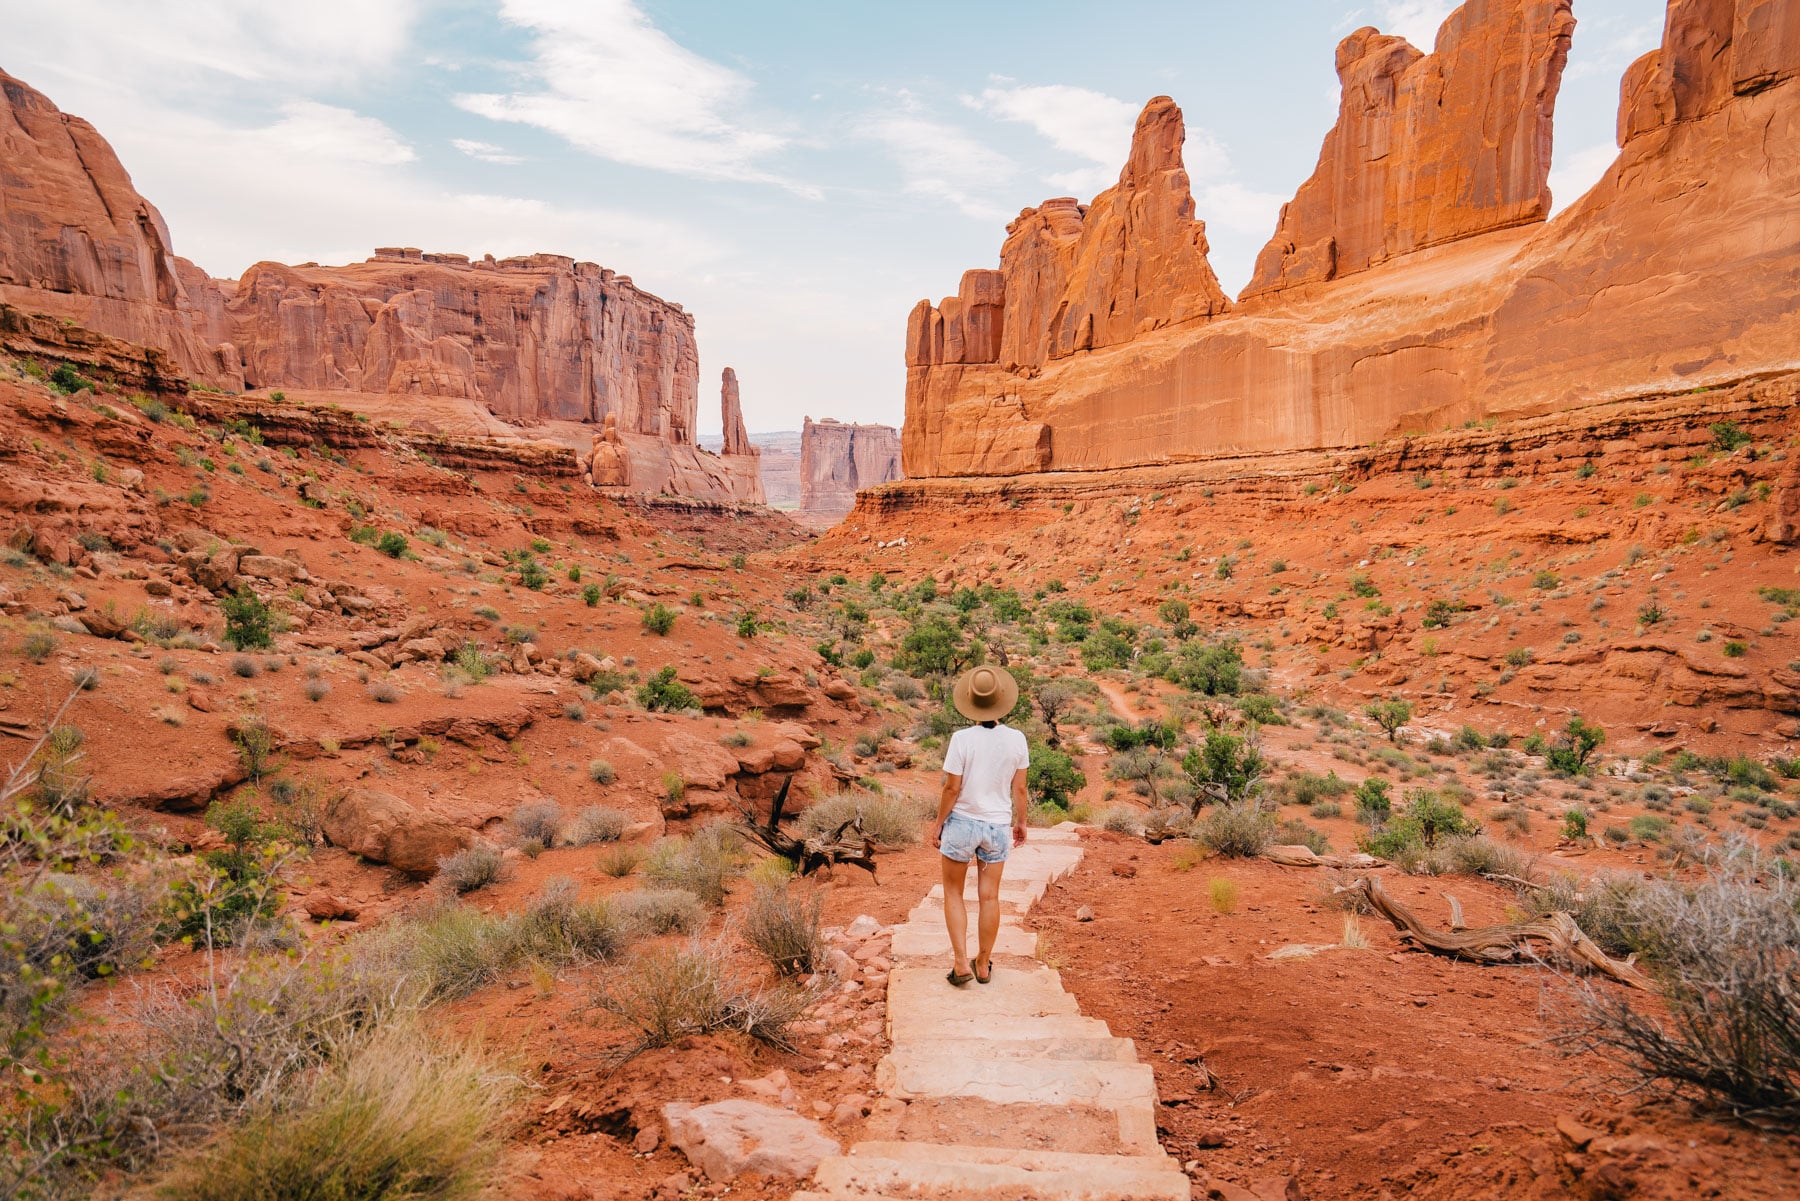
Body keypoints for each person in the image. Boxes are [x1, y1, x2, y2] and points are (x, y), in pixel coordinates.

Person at [932, 665, 1029, 987]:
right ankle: (983, 963)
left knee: (954, 893)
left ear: (970, 701)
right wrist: (1021, 822)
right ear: (1002, 700)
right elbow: (1020, 789)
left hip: (962, 824)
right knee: (990, 897)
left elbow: (951, 788)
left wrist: (938, 824)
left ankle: (961, 963)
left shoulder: (962, 739)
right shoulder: (1017, 739)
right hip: (997, 827)